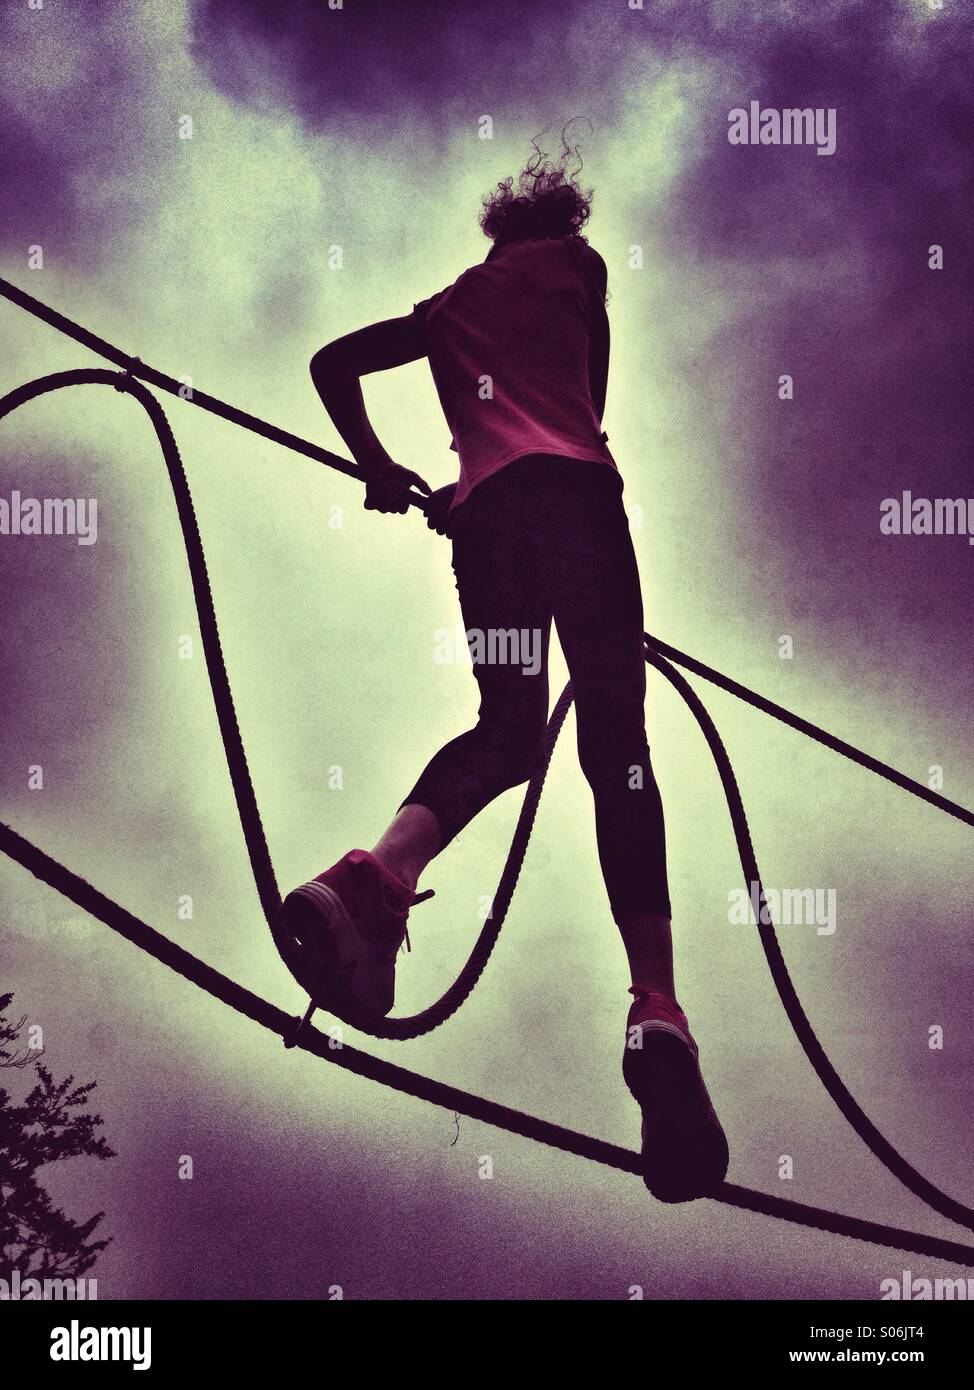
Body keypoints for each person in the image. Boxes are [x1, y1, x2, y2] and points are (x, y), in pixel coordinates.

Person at [280, 142, 728, 1201]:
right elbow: (589, 404)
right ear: (561, 225)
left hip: (486, 524)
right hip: (576, 506)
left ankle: (373, 879)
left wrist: (380, 467)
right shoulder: (578, 269)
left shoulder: (444, 306)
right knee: (614, 741)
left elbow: (331, 364)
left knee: (508, 731)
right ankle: (654, 1002)